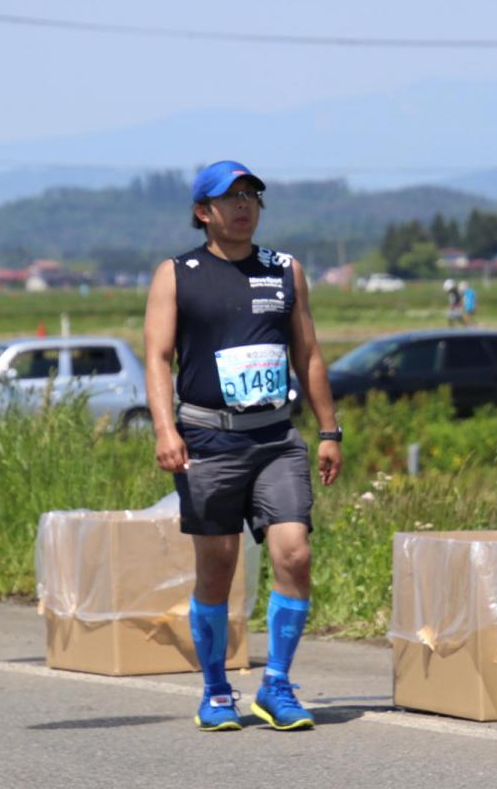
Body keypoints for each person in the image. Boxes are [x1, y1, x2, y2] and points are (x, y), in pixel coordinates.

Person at [144, 160, 342, 733]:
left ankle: (276, 686)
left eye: (251, 194)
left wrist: (329, 430)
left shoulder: (284, 270)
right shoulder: (177, 274)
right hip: (208, 437)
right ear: (203, 212)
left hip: (277, 437)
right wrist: (165, 429)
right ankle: (215, 690)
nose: (243, 204)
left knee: (294, 554)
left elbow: (308, 354)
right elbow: (158, 357)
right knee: (218, 568)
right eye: (229, 197)